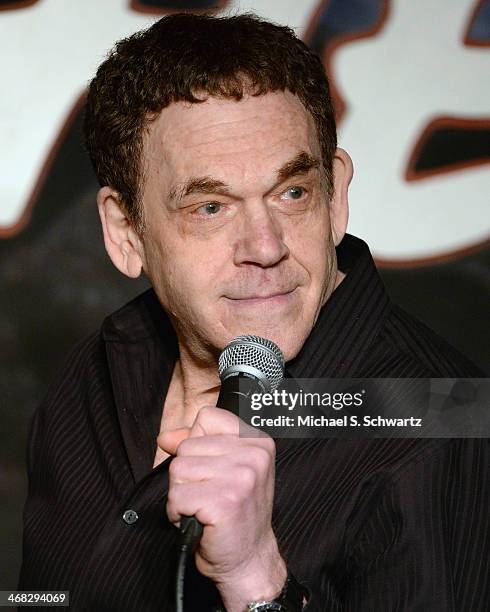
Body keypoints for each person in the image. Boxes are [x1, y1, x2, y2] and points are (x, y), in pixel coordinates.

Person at [19, 12, 488, 612]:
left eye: (291, 192)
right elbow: (44, 594)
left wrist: (256, 583)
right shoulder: (95, 372)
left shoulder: (443, 428)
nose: (265, 247)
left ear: (336, 196)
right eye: (210, 207)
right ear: (126, 232)